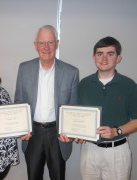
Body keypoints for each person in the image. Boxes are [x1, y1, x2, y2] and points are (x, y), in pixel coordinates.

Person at [14, 25, 79, 180]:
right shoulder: (24, 68)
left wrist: (71, 132)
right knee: (33, 176)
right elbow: (19, 101)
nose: (46, 47)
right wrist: (21, 128)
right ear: (35, 45)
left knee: (58, 176)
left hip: (57, 134)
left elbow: (73, 107)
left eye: (50, 42)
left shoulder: (71, 72)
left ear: (57, 43)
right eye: (42, 43)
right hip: (33, 133)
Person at [76, 36, 137, 180]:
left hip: (117, 152)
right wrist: (77, 133)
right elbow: (77, 115)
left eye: (110, 54)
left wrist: (117, 131)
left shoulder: (129, 86)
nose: (104, 58)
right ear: (93, 57)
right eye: (99, 53)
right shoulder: (84, 84)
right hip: (89, 150)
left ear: (118, 58)